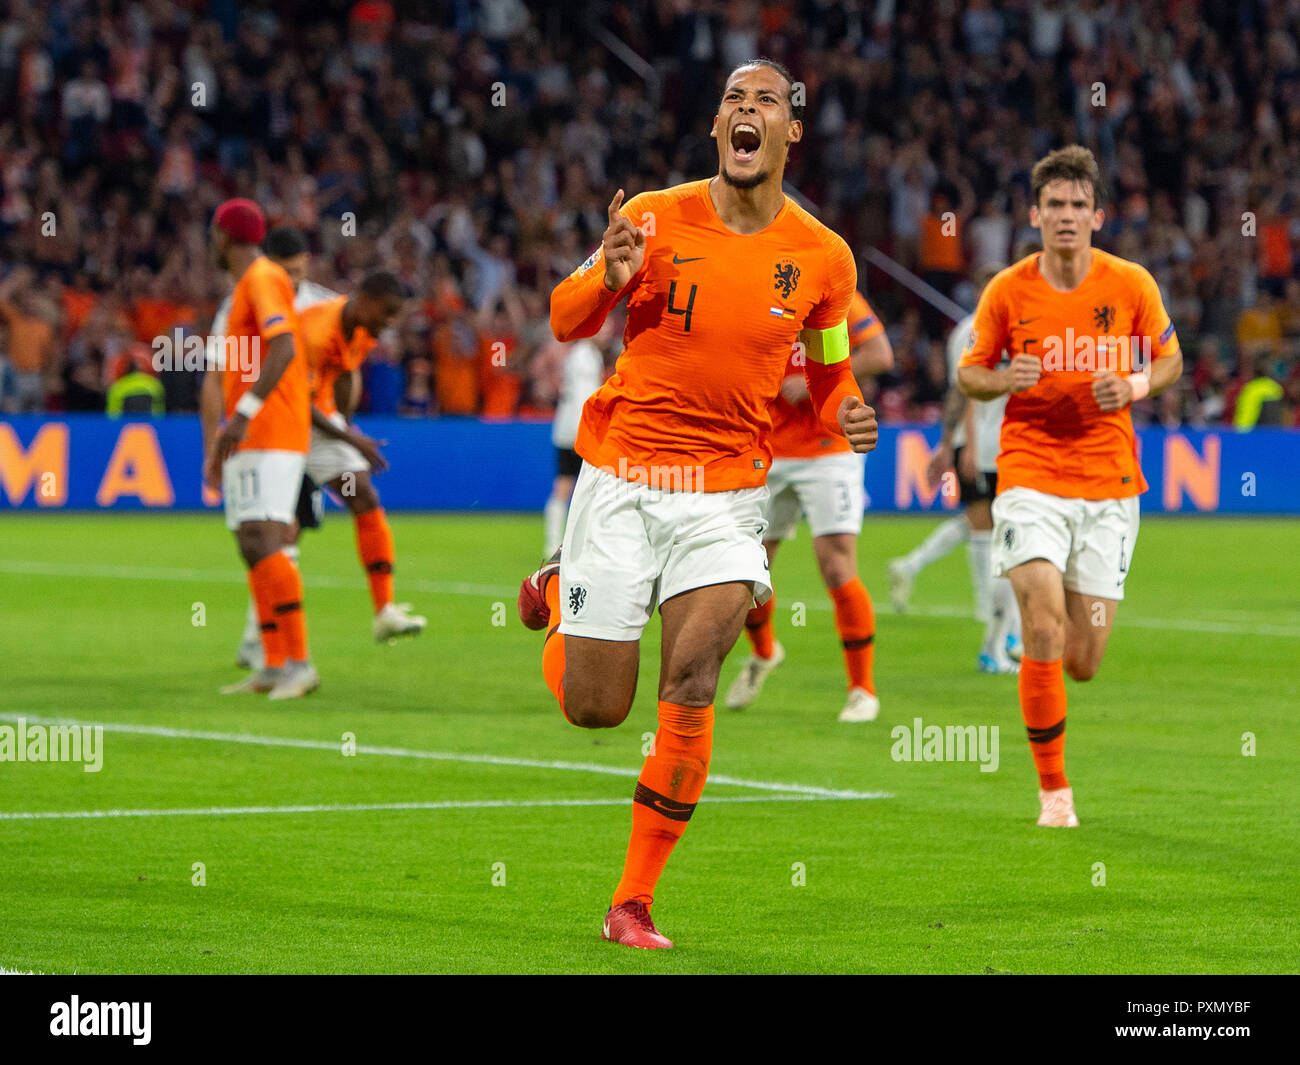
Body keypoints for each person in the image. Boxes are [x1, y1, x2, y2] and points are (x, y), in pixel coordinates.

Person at [515, 59, 877, 949]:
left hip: (725, 495)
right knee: (596, 708)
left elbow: (827, 371)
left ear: (792, 132)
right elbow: (564, 322)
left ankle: (631, 902)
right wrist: (608, 274)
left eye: (766, 103)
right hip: (624, 481)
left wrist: (846, 408)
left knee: (693, 678)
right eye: (733, 101)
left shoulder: (824, 257)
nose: (746, 113)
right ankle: (563, 592)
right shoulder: (651, 218)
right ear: (717, 128)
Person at [957, 145, 1182, 827]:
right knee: (1045, 625)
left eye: (1078, 205)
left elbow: (1171, 358)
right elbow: (970, 373)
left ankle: (1045, 663)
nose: (1065, 215)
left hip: (1111, 483)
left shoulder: (1131, 284)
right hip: (1029, 474)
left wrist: (1136, 383)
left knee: (1082, 660)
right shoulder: (1007, 290)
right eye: (1053, 204)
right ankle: (1054, 791)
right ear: (1034, 213)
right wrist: (1004, 380)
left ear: (1098, 214)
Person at [724, 289, 894, 721]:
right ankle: (764, 653)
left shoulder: (839, 297)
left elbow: (880, 354)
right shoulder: (753, 287)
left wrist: (821, 377)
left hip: (829, 446)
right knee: (745, 569)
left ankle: (863, 690)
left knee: (837, 566)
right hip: (767, 447)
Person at [203, 199, 319, 700]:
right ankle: (273, 662)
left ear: (223, 236)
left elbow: (285, 348)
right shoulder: (247, 286)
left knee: (266, 538)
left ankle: (300, 661)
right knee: (251, 541)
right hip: (254, 433)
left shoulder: (261, 277)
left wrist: (243, 414)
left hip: (273, 429)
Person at [300, 271, 425, 641]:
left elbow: (343, 375)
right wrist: (352, 440)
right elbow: (300, 404)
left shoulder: (362, 331)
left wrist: (347, 427)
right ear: (364, 300)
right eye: (385, 312)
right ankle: (262, 640)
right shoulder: (315, 331)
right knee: (280, 534)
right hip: (285, 421)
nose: (388, 323)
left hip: (321, 423)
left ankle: (384, 609)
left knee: (362, 495)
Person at [923, 262, 1024, 673]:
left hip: (1014, 447)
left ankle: (1003, 634)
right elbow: (962, 390)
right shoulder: (970, 332)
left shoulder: (1021, 327)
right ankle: (996, 635)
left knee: (1011, 541)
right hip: (983, 448)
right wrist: (955, 444)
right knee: (1001, 540)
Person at [543, 318, 610, 555]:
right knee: (589, 489)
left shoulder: (581, 354)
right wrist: (585, 435)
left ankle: (553, 542)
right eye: (603, 327)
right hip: (577, 431)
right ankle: (579, 543)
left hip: (565, 428)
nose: (607, 332)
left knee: (563, 485)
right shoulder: (585, 356)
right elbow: (585, 399)